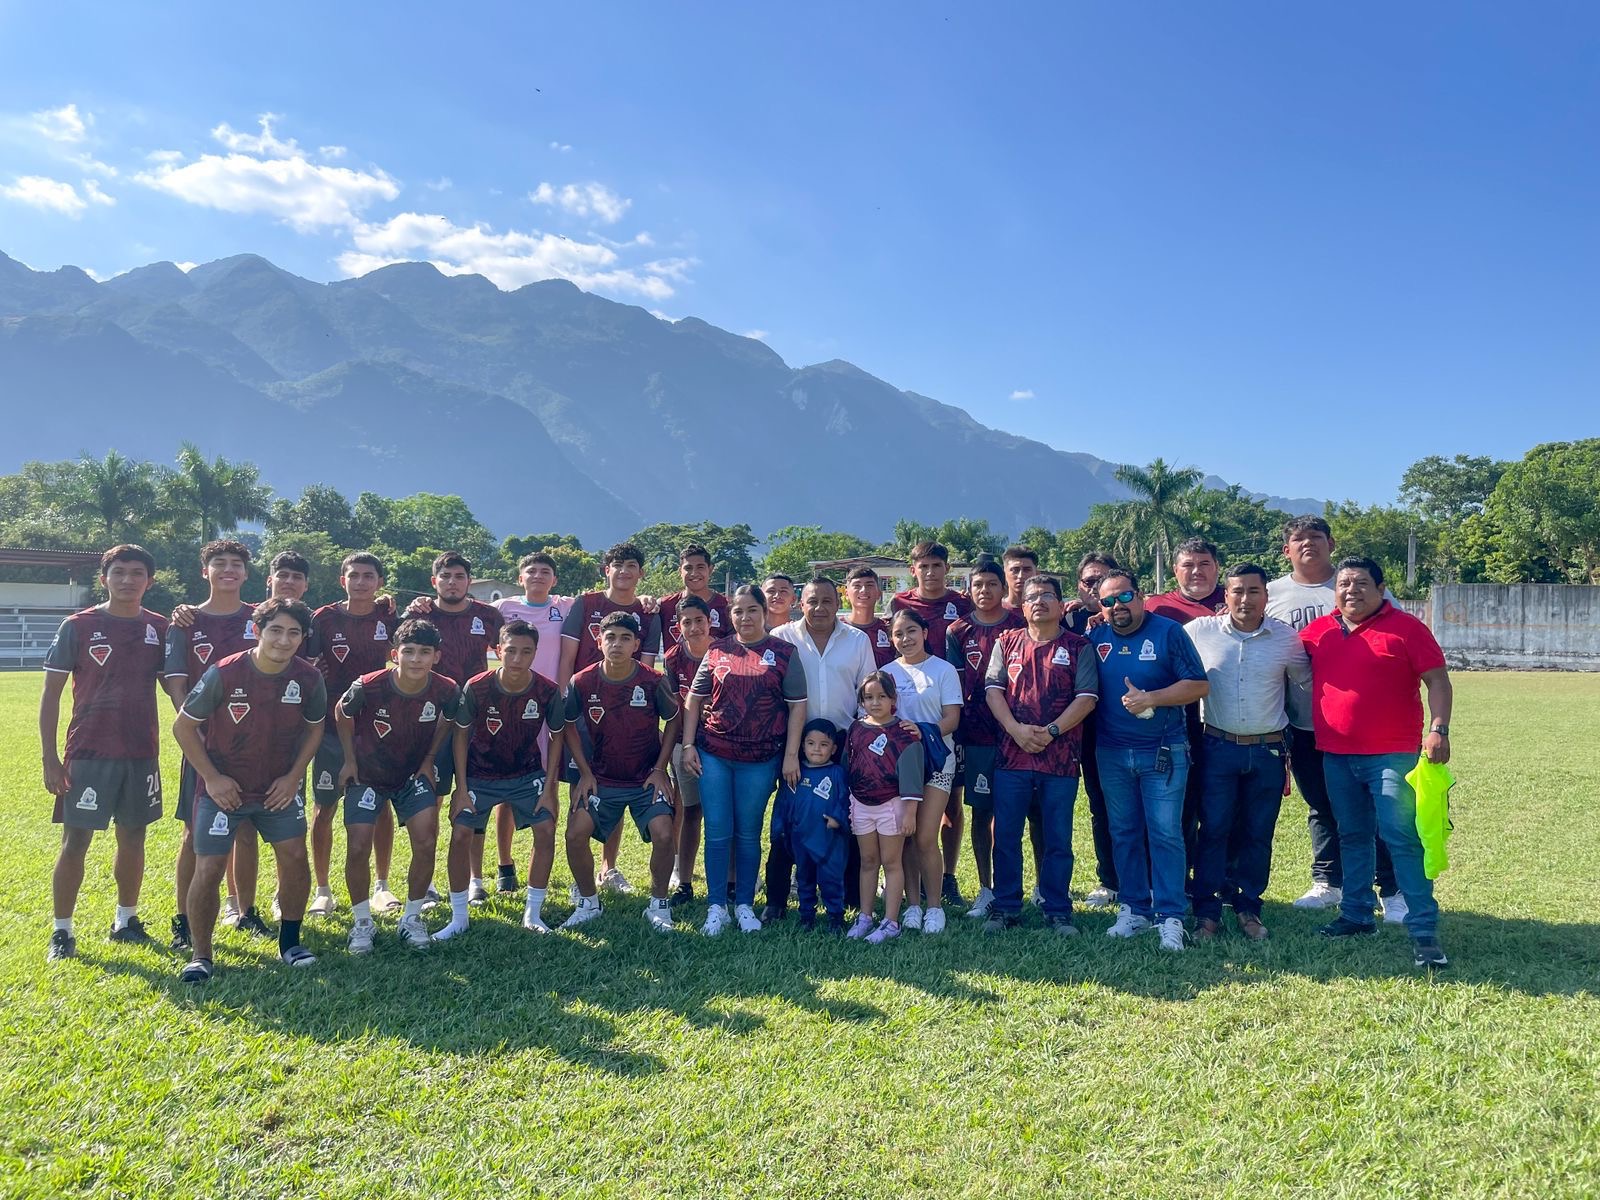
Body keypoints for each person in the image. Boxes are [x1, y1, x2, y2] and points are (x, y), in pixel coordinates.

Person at [1300, 557, 1453, 969]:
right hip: (1336, 755)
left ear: (1382, 589)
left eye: (1361, 583)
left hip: (1393, 755)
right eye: (1344, 584)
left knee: (1400, 838)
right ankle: (1356, 914)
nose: (1351, 590)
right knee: (1351, 835)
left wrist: (1439, 728)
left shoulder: (1407, 628)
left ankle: (1423, 930)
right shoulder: (1318, 632)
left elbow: (1437, 679)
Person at [171, 598, 326, 982]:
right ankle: (201, 955)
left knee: (293, 856)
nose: (283, 640)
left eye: (293, 633)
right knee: (209, 867)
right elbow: (183, 728)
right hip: (225, 790)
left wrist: (293, 777)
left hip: (277, 789)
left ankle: (290, 942)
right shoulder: (223, 672)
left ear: (303, 638)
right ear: (257, 631)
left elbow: (315, 729)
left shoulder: (308, 678)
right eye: (275, 630)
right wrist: (212, 778)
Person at [1266, 515, 1404, 920]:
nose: (1307, 544)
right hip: (1301, 721)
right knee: (1321, 804)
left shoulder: (1355, 584)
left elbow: (1395, 638)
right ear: (1286, 550)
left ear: (1331, 543)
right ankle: (1329, 881)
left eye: (1316, 537)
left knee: (1373, 807)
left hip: (1363, 724)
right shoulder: (1270, 592)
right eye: (1298, 538)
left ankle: (1391, 888)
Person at [41, 545, 169, 961]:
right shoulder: (78, 625)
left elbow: (176, 687)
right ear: (104, 578)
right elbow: (51, 696)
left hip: (141, 750)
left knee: (133, 836)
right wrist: (50, 758)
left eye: (137, 573)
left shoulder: (160, 628)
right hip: (89, 751)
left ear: (149, 581)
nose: (128, 580)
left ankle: (126, 919)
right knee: (75, 840)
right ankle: (62, 931)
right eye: (119, 572)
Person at [1184, 564, 1311, 941]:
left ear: (1266, 597)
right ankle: (1207, 912)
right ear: (1225, 596)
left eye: (1253, 591)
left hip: (1268, 751)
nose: (1245, 598)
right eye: (1237, 591)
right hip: (1217, 747)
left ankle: (1248, 908)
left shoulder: (1286, 639)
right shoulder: (1199, 632)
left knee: (1258, 833)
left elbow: (1305, 684)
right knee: (1213, 830)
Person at [1089, 572, 1209, 953]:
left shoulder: (1169, 632)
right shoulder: (1096, 638)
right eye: (1107, 601)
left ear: (1140, 597)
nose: (1116, 606)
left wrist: (1153, 698)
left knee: (1165, 834)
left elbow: (1199, 684)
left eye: (1123, 596)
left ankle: (1170, 915)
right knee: (1122, 832)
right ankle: (1133, 909)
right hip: (1110, 751)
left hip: (1164, 750)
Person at [681, 584, 808, 936]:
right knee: (718, 831)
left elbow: (798, 706)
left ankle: (745, 906)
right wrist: (689, 744)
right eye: (738, 611)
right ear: (730, 614)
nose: (745, 617)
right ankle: (716, 906)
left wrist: (791, 755)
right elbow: (694, 699)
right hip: (715, 753)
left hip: (761, 757)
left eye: (752, 610)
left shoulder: (783, 652)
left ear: (764, 612)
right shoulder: (718, 649)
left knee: (748, 833)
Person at [982, 575, 1099, 935]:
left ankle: (1058, 908)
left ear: (1062, 605)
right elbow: (992, 690)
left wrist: (1051, 732)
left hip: (1060, 759)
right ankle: (1005, 907)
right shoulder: (1007, 642)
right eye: (1032, 597)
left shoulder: (1079, 646)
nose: (1039, 602)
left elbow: (1087, 698)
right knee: (1005, 835)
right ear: (1021, 606)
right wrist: (1016, 730)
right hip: (1011, 757)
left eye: (1047, 595)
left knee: (1057, 838)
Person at [163, 540, 265, 950]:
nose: (228, 569)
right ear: (204, 571)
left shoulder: (260, 616)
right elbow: (176, 681)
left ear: (246, 573)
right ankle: (184, 919)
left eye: (236, 564)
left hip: (256, 743)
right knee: (194, 832)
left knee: (246, 829)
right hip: (205, 744)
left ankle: (246, 910)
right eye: (219, 563)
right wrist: (196, 727)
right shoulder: (184, 622)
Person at [335, 618, 460, 953]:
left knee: (426, 840)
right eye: (409, 651)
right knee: (358, 845)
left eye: (424, 652)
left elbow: (450, 719)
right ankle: (362, 922)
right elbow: (342, 712)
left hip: (411, 777)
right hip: (368, 776)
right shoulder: (368, 685)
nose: (416, 659)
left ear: (436, 656)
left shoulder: (446, 689)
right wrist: (349, 759)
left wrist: (429, 758)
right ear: (395, 654)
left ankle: (412, 917)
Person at [436, 620, 568, 939]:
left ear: (536, 653)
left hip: (526, 774)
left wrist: (550, 788)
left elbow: (557, 737)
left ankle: (533, 913)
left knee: (546, 829)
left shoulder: (547, 691)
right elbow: (460, 735)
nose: (518, 658)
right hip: (480, 775)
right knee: (461, 832)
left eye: (526, 651)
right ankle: (458, 916)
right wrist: (461, 788)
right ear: (498, 651)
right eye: (511, 650)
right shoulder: (477, 686)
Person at [561, 612, 681, 933]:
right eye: (610, 637)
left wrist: (659, 769)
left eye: (625, 638)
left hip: (644, 779)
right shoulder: (582, 681)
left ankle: (659, 905)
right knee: (574, 834)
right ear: (599, 641)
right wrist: (585, 772)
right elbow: (567, 724)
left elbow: (674, 719)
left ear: (636, 644)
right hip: (602, 779)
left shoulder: (653, 681)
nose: (617, 644)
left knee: (665, 833)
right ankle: (589, 902)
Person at [765, 576, 874, 919]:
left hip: (844, 744)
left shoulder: (857, 640)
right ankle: (777, 901)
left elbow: (867, 694)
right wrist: (791, 748)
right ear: (800, 603)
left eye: (827, 600)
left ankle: (850, 897)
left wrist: (858, 743)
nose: (820, 608)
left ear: (838, 601)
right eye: (813, 601)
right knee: (791, 820)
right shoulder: (782, 638)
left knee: (846, 819)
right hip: (796, 743)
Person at [559, 541, 663, 896]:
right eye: (617, 565)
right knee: (585, 789)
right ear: (607, 570)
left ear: (640, 573)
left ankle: (609, 866)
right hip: (587, 711)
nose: (624, 571)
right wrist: (564, 699)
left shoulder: (648, 611)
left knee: (617, 786)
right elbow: (567, 657)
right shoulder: (586, 603)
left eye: (631, 565)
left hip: (628, 713)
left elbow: (647, 670)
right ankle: (581, 880)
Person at [403, 552, 504, 904]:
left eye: (459, 576)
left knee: (472, 798)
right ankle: (426, 881)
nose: (452, 582)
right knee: (430, 799)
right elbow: (400, 650)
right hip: (430, 718)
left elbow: (508, 650)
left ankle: (475, 877)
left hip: (475, 719)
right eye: (445, 576)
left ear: (468, 581)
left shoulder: (488, 615)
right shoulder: (418, 613)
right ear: (434, 582)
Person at [310, 553, 403, 914]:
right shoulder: (324, 618)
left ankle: (381, 885)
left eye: (369, 576)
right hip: (331, 728)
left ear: (380, 583)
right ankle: (322, 889)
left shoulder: (388, 616)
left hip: (378, 727)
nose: (361, 582)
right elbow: (306, 664)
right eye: (354, 576)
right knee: (324, 807)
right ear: (342, 580)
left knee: (379, 806)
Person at [1141, 537, 1227, 896]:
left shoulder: (1235, 598)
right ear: (1175, 570)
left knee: (1221, 808)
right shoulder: (1156, 607)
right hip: (1176, 721)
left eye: (1204, 563)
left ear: (1217, 567)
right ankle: (1180, 880)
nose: (1196, 571)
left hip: (1227, 722)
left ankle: (1221, 881)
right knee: (1180, 805)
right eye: (1188, 565)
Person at [945, 556, 1023, 918]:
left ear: (1002, 588)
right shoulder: (958, 631)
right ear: (969, 590)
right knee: (981, 811)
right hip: (976, 734)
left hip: (1018, 732)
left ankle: (1034, 888)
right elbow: (958, 686)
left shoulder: (1020, 625)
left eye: (992, 584)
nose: (985, 590)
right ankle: (986, 889)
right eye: (978, 585)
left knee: (1025, 813)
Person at [491, 553, 572, 895]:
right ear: (520, 576)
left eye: (545, 572)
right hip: (510, 708)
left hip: (551, 708)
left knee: (549, 782)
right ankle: (505, 865)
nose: (538, 575)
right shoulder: (501, 609)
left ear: (554, 580)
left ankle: (545, 865)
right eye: (531, 571)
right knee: (506, 787)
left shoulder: (567, 607)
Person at [883, 607, 963, 934]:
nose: (906, 639)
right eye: (899, 634)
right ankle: (912, 905)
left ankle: (934, 907)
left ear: (925, 633)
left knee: (927, 837)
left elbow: (952, 719)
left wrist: (922, 730)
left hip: (937, 761)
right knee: (905, 836)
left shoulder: (943, 670)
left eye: (911, 631)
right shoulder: (886, 673)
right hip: (900, 766)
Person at [843, 672, 925, 944]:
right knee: (868, 861)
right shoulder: (855, 729)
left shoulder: (904, 734)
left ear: (893, 699)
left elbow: (912, 776)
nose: (875, 703)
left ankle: (891, 921)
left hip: (892, 805)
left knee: (891, 862)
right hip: (861, 804)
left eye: (882, 697)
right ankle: (865, 916)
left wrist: (910, 811)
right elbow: (847, 763)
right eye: (868, 697)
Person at [1063, 552, 1120, 908]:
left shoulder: (1129, 616)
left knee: (1130, 808)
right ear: (1078, 587)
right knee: (1098, 806)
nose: (1096, 589)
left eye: (1103, 581)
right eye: (1089, 582)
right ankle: (1110, 880)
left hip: (1121, 729)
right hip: (1077, 732)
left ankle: (1144, 879)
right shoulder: (1066, 620)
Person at [777, 719, 850, 932]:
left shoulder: (837, 773)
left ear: (834, 748)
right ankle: (806, 915)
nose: (816, 749)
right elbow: (784, 802)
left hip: (829, 840)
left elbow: (846, 799)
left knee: (831, 879)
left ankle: (835, 916)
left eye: (823, 744)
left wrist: (838, 818)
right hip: (801, 838)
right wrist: (780, 828)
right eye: (811, 743)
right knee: (804, 878)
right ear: (802, 745)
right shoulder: (796, 772)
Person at [663, 596, 713, 906]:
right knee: (690, 811)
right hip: (685, 743)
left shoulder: (726, 649)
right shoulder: (672, 658)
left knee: (725, 815)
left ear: (710, 622)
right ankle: (684, 880)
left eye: (699, 620)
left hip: (722, 744)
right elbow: (671, 710)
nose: (693, 627)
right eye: (686, 622)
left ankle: (731, 879)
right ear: (679, 626)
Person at [889, 540, 973, 663]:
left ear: (947, 568)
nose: (930, 572)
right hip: (911, 677)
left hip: (953, 676)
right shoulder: (898, 602)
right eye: (923, 566)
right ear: (913, 571)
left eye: (936, 565)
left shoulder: (963, 602)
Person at [657, 543, 731, 651]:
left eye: (700, 567)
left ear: (710, 570)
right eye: (688, 568)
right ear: (680, 572)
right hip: (675, 668)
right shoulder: (664, 605)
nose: (694, 573)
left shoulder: (726, 606)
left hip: (715, 667)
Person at [842, 565, 896, 668]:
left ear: (878, 593)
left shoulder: (888, 630)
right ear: (846, 594)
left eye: (869, 585)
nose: (863, 590)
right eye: (857, 586)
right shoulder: (836, 629)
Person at [1000, 545, 1039, 610]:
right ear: (1004, 574)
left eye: (1027, 570)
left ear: (1037, 574)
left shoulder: (1045, 609)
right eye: (1015, 570)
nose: (1021, 576)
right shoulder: (994, 609)